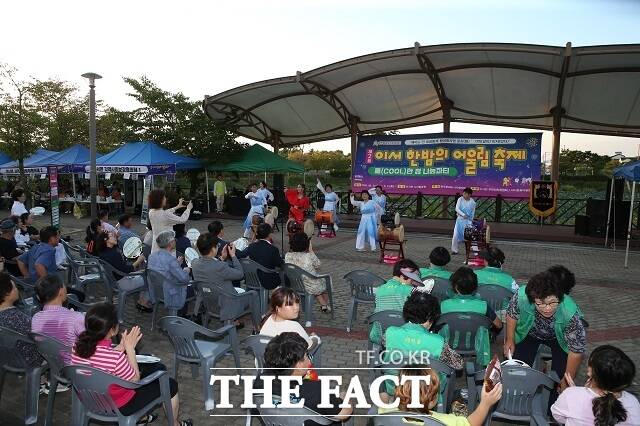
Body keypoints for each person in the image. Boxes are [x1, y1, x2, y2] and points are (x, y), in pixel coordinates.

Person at [71, 302, 192, 426]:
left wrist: (121, 347)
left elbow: (99, 361)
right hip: (120, 405)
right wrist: (130, 349)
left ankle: (142, 419)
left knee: (153, 370)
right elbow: (134, 380)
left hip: (90, 400)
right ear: (113, 330)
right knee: (170, 384)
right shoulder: (116, 358)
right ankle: (175, 424)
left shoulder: (77, 348)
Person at [504, 271, 586, 395]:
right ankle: (517, 396)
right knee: (517, 369)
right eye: (541, 303)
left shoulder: (570, 313)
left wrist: (566, 380)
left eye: (553, 302)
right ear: (532, 300)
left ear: (560, 297)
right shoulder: (522, 296)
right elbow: (511, 315)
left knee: (559, 378)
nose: (547, 308)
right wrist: (510, 339)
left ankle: (552, 409)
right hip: (530, 333)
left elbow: (576, 352)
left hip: (559, 338)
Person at [254, 332, 352, 425]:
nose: (309, 362)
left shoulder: (259, 382)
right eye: (307, 356)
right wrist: (344, 396)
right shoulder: (316, 391)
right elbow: (344, 413)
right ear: (298, 366)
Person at [383, 292, 463, 397]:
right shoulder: (438, 342)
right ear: (430, 317)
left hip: (394, 388)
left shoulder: (389, 333)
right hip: (426, 394)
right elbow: (458, 364)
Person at [377, 364, 502, 426]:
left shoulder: (382, 412)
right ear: (432, 400)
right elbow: (471, 423)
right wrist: (485, 403)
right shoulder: (447, 421)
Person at [551, 345, 640, 426]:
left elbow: (557, 416)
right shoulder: (633, 402)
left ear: (591, 375)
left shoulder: (571, 395)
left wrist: (573, 393)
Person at [191, 233, 260, 330]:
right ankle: (257, 327)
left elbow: (210, 269)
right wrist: (233, 256)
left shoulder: (195, 263)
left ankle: (234, 322)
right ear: (213, 249)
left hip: (209, 302)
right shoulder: (220, 267)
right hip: (227, 304)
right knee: (253, 294)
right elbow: (240, 274)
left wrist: (222, 258)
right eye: (217, 246)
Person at [440, 266, 502, 366]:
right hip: (476, 345)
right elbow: (499, 325)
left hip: (449, 344)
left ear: (455, 287)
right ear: (475, 287)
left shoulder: (444, 305)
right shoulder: (483, 306)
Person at [31, 275, 85, 366]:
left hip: (51, 364)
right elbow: (90, 342)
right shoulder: (75, 317)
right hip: (73, 367)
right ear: (61, 291)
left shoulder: (36, 318)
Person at [369, 259, 423, 345]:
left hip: (378, 336)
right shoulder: (410, 291)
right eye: (412, 280)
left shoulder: (380, 289)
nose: (412, 283)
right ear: (403, 277)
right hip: (402, 338)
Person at [94, 232, 152, 312]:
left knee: (143, 273)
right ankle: (144, 302)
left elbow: (121, 267)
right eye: (112, 236)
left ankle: (141, 300)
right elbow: (127, 270)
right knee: (150, 277)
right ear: (105, 240)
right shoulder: (113, 254)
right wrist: (139, 260)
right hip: (123, 283)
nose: (115, 237)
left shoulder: (103, 252)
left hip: (115, 281)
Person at [0, 272, 42, 367]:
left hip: (4, 359)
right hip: (24, 360)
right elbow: (38, 337)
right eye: (14, 288)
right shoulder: (16, 317)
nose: (17, 290)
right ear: (7, 293)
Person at [148, 230, 193, 317]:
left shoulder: (152, 256)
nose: (175, 242)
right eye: (174, 240)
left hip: (157, 290)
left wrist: (176, 264)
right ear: (170, 243)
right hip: (171, 292)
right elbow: (184, 279)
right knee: (195, 289)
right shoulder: (170, 260)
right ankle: (182, 316)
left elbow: (163, 270)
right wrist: (186, 270)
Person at [284, 233, 331, 313]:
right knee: (327, 280)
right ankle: (325, 304)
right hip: (310, 286)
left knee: (316, 280)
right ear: (306, 244)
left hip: (295, 285)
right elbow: (318, 265)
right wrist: (311, 250)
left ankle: (324, 305)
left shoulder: (287, 255)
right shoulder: (309, 256)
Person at [237, 223, 283, 290]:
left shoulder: (251, 246)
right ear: (269, 234)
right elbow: (280, 265)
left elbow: (241, 255)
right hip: (267, 281)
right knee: (282, 275)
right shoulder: (273, 249)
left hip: (251, 278)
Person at [148, 189, 193, 254]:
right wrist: (188, 209)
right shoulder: (165, 215)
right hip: (167, 247)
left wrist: (177, 207)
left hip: (155, 246)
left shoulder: (151, 212)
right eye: (164, 197)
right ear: (160, 200)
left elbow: (165, 213)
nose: (165, 199)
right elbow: (183, 219)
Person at [451, 187, 476, 255]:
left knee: (470, 236)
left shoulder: (472, 202)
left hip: (468, 221)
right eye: (463, 193)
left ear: (469, 195)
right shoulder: (460, 199)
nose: (463, 194)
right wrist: (462, 214)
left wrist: (471, 220)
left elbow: (472, 212)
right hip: (459, 220)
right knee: (455, 235)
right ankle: (455, 250)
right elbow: (457, 208)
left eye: (465, 193)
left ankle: (476, 252)